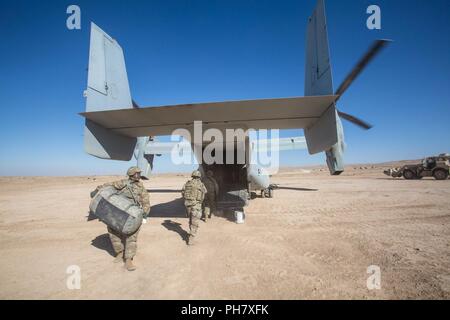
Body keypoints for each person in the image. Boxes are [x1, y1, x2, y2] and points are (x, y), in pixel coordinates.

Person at [92, 166, 150, 271]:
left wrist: (145, 214)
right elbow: (108, 185)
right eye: (137, 173)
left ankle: (128, 259)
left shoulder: (141, 187)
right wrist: (97, 190)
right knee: (113, 234)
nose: (139, 175)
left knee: (131, 237)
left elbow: (145, 201)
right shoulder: (122, 183)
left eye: (139, 173)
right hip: (117, 213)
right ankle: (119, 253)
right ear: (132, 175)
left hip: (133, 215)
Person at [181, 170, 207, 245]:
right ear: (199, 176)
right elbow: (205, 192)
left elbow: (182, 192)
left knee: (191, 219)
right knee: (195, 222)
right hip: (196, 205)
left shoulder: (187, 183)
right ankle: (191, 239)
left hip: (188, 204)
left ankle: (190, 232)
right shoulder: (200, 184)